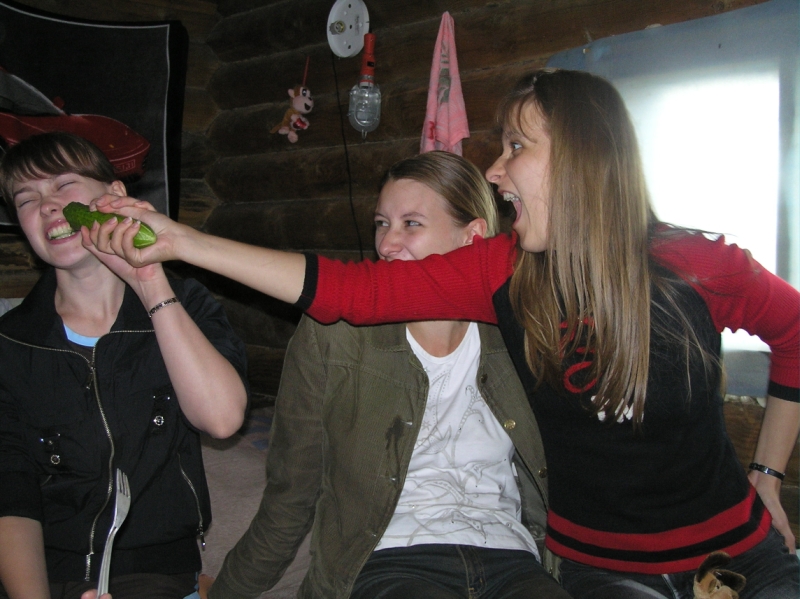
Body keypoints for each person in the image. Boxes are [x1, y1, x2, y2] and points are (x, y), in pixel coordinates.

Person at [85, 69, 799, 599]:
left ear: (582, 157)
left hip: (739, 553)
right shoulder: (504, 271)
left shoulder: (700, 266)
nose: (495, 168)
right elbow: (351, 291)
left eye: (516, 145)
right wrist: (182, 241)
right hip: (604, 572)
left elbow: (796, 332)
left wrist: (767, 475)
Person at [206, 151, 570, 599]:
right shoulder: (334, 333)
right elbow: (292, 491)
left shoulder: (519, 331)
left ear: (473, 236)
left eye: (411, 224)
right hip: (390, 560)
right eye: (382, 223)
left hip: (510, 559)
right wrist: (228, 592)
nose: (387, 244)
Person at [0, 132, 249, 599]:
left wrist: (149, 282)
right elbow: (11, 493)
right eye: (26, 200)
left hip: (154, 567)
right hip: (45, 570)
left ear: (114, 195)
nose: (48, 205)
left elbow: (221, 419)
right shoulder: (10, 343)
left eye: (64, 184)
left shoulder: (186, 302)